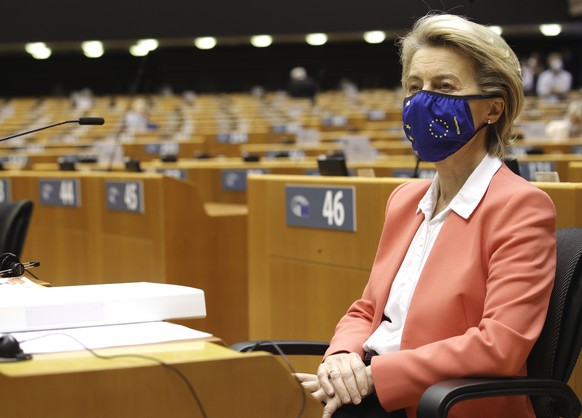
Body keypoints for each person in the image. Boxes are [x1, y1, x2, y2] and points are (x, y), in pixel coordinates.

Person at [295, 13, 556, 418]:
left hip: (443, 403)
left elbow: (499, 346)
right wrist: (342, 356)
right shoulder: (404, 200)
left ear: (492, 108)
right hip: (373, 391)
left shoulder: (520, 207)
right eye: (414, 87)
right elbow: (369, 309)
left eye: (444, 87)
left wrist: (373, 376)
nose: (422, 100)